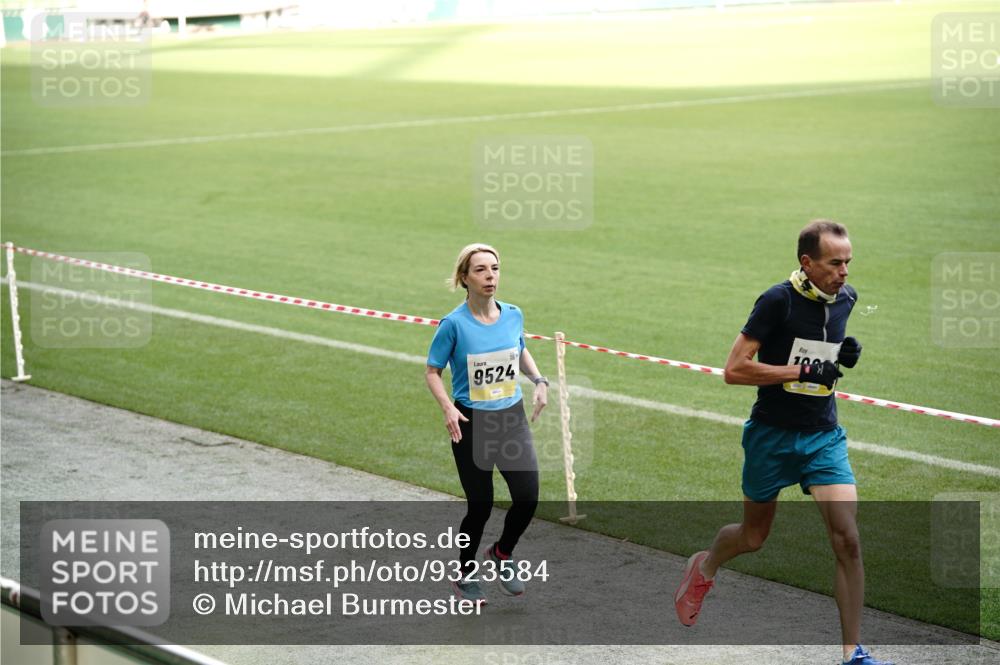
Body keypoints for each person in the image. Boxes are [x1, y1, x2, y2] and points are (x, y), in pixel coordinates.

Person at [673, 220, 893, 665]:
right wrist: (802, 371)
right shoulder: (776, 300)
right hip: (771, 437)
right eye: (835, 263)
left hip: (822, 436)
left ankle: (853, 653)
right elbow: (734, 369)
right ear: (807, 263)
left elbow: (822, 351)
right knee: (753, 537)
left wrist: (842, 352)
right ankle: (706, 565)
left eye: (849, 262)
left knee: (848, 540)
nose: (845, 272)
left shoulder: (846, 298)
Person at [426, 243, 548, 605]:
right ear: (464, 278)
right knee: (480, 506)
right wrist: (447, 407)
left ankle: (502, 554)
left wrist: (539, 381)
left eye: (494, 268)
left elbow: (519, 348)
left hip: (510, 418)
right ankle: (464, 575)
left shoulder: (513, 315)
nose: (490, 275)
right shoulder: (453, 324)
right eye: (480, 270)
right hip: (471, 422)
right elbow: (432, 371)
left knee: (527, 497)